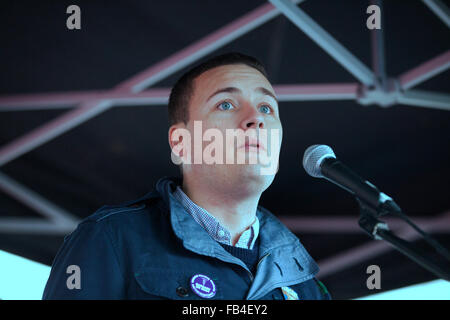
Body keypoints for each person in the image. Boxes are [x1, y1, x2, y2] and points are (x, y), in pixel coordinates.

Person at [42, 52, 331, 300]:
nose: (256, 118)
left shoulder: (304, 282)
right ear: (181, 143)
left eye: (267, 108)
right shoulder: (112, 239)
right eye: (226, 104)